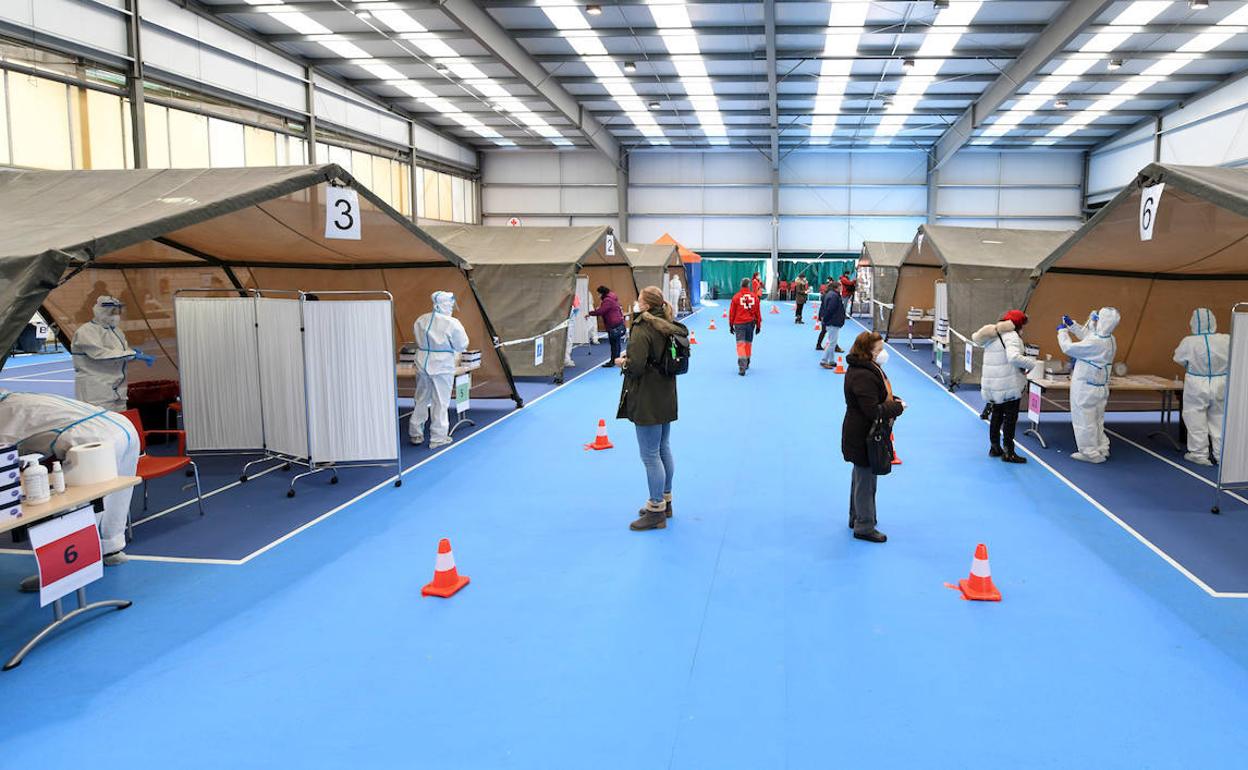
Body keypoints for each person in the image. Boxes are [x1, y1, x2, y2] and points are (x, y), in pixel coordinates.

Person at [0, 389, 140, 586]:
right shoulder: (22, 398)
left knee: (70, 506)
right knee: (117, 495)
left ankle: (59, 569)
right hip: (122, 426)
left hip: (92, 438)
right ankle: (111, 548)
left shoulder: (6, 414)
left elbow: (5, 453)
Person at [616, 286, 684, 531]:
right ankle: (665, 501)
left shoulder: (643, 327)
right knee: (663, 447)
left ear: (644, 304)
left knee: (650, 455)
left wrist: (623, 362)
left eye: (638, 300)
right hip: (666, 393)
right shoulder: (666, 324)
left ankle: (655, 511)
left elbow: (636, 367)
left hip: (647, 397)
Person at [841, 332, 904, 543]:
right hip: (863, 435)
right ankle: (864, 526)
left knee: (861, 478)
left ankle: (856, 517)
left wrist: (892, 400)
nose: (883, 353)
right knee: (866, 481)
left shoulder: (866, 370)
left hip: (861, 432)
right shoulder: (863, 375)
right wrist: (896, 407)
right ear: (868, 352)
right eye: (879, 350)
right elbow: (872, 410)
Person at [972, 309, 1037, 464]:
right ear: (1018, 324)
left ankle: (994, 447)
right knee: (1010, 418)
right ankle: (1009, 451)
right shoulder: (1012, 336)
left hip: (993, 383)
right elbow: (1014, 357)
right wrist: (1031, 363)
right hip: (1008, 385)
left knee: (996, 415)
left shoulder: (992, 335)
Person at [1057, 307, 1121, 463]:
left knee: (1084, 420)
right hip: (1100, 387)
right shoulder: (1110, 339)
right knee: (1097, 420)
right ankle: (1101, 448)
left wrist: (1062, 332)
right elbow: (1090, 335)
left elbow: (1068, 348)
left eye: (1099, 318)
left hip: (1086, 387)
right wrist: (1073, 326)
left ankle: (1089, 453)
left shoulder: (1096, 342)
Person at [409, 291, 470, 449]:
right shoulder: (452, 323)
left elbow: (416, 338)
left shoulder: (421, 320)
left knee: (421, 398)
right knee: (440, 402)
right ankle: (438, 437)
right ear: (447, 304)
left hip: (422, 362)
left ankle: (415, 433)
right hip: (442, 365)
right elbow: (462, 344)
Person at [72, 296, 154, 411]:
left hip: (118, 388)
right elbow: (100, 354)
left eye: (117, 311)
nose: (116, 315)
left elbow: (121, 352)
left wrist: (133, 353)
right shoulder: (86, 331)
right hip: (96, 390)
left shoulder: (116, 331)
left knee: (121, 421)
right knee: (101, 423)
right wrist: (131, 354)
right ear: (101, 311)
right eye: (112, 312)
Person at [1173, 307, 1230, 466]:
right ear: (1213, 321)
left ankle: (1199, 453)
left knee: (1195, 416)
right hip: (1221, 382)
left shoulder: (1188, 342)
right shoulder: (1226, 339)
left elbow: (1178, 358)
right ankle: (1222, 455)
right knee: (1219, 417)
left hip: (1197, 382)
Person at [729, 277, 762, 376]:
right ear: (749, 286)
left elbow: (732, 313)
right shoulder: (755, 297)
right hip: (750, 324)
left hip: (739, 324)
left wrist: (731, 325)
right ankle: (747, 362)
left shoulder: (736, 297)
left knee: (741, 345)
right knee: (748, 343)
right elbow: (758, 313)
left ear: (741, 285)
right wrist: (758, 325)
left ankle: (742, 367)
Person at [589, 285, 626, 368]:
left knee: (614, 343)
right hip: (617, 322)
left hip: (613, 324)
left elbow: (601, 311)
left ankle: (613, 361)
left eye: (598, 294)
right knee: (617, 343)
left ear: (602, 293)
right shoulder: (612, 298)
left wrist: (590, 313)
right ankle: (616, 359)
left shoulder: (607, 300)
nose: (598, 296)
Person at [818, 285, 847, 365]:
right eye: (840, 286)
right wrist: (826, 319)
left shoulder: (830, 295)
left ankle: (831, 360)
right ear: (836, 287)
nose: (841, 288)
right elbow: (830, 309)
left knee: (832, 342)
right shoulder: (834, 296)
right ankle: (824, 360)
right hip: (833, 322)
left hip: (831, 321)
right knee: (832, 343)